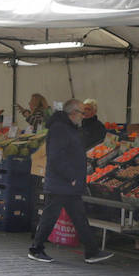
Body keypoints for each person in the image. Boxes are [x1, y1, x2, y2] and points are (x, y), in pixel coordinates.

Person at [28, 99, 113, 265]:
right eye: (81, 112)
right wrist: (71, 177)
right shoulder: (60, 129)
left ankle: (91, 251)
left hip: (66, 184)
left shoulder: (69, 128)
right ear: (73, 113)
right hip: (63, 183)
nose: (83, 116)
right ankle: (36, 248)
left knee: (78, 216)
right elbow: (55, 157)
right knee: (50, 216)